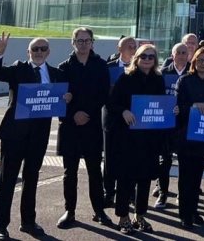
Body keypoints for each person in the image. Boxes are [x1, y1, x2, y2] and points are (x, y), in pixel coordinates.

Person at [0, 33, 67, 239]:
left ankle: (28, 222)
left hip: (39, 136)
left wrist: (67, 97)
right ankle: (0, 224)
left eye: (43, 49)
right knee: (7, 180)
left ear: (48, 52)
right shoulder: (19, 68)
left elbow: (62, 97)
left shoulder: (56, 73)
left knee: (31, 179)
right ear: (28, 52)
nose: (39, 52)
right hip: (14, 134)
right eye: (35, 49)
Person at [106, 44, 167, 234]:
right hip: (128, 137)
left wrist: (170, 110)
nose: (147, 60)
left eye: (151, 57)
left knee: (145, 179)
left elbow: (162, 104)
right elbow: (111, 103)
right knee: (126, 178)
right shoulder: (126, 78)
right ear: (137, 58)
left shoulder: (158, 80)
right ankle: (123, 217)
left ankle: (140, 215)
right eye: (144, 56)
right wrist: (123, 111)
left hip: (149, 138)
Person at [56, 27, 112, 229]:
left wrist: (86, 113)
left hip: (92, 125)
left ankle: (99, 211)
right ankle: (69, 211)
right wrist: (73, 114)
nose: (83, 44)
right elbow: (60, 97)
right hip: (70, 126)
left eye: (87, 40)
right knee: (69, 172)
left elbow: (104, 93)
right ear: (73, 43)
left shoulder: (100, 65)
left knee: (95, 171)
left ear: (92, 42)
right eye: (79, 41)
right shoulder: (63, 67)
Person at [173, 48, 204, 229]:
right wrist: (192, 106)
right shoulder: (185, 80)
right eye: (200, 60)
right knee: (186, 177)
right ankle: (184, 213)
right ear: (194, 62)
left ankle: (193, 210)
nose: (203, 63)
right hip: (187, 136)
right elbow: (177, 107)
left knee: (198, 177)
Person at [103, 36, 137, 208]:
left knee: (131, 157)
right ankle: (108, 193)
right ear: (119, 48)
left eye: (134, 46)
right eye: (129, 46)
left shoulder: (139, 69)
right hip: (112, 118)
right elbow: (102, 93)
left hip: (133, 118)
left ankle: (130, 193)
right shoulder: (108, 68)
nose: (132, 49)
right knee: (110, 157)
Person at [154, 42, 189, 208]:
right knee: (164, 162)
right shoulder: (162, 74)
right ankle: (162, 193)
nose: (182, 55)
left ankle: (183, 195)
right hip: (166, 125)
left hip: (184, 124)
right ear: (172, 55)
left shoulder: (192, 73)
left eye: (184, 52)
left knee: (184, 162)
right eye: (179, 52)